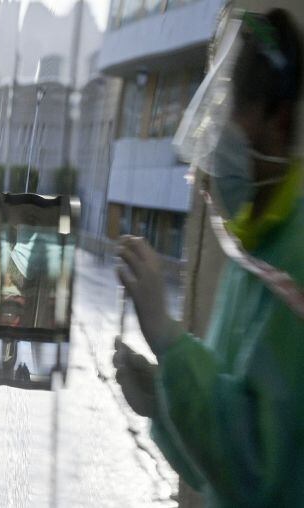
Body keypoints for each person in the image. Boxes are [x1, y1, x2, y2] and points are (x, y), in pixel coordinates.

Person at [115, 9, 304, 506]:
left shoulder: (295, 256)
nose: (215, 135)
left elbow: (258, 472)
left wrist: (170, 341)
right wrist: (163, 401)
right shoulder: (255, 246)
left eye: (231, 113)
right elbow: (220, 449)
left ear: (277, 120)